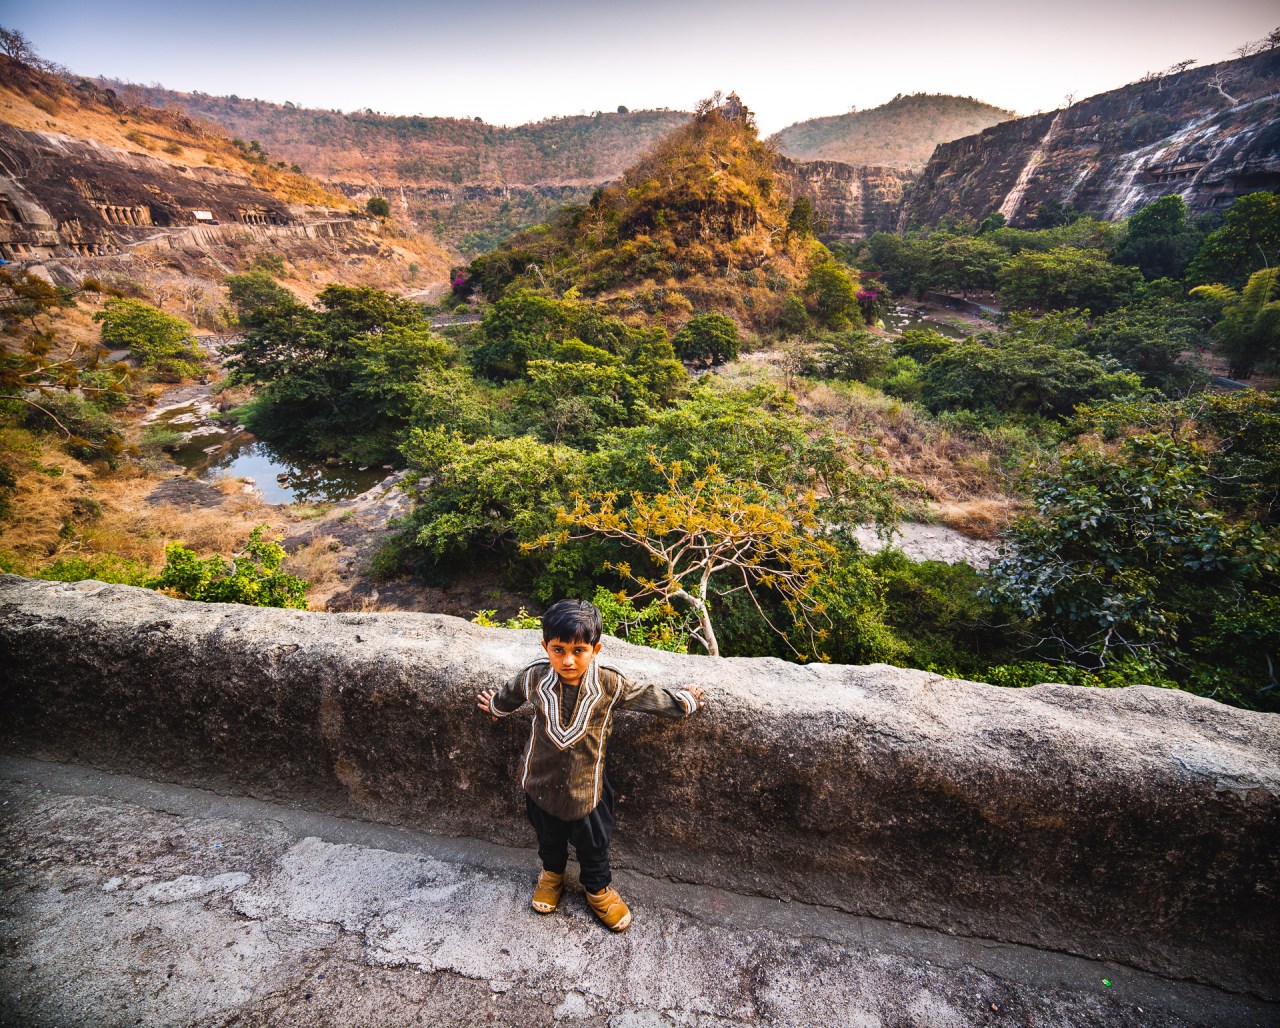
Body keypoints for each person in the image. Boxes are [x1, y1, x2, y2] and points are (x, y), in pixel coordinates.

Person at [476, 598, 705, 932]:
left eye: (579, 650)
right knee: (548, 839)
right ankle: (552, 876)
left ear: (596, 649)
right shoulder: (535, 677)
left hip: (588, 787)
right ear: (545, 646)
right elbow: (511, 694)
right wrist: (495, 706)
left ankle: (597, 891)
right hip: (540, 783)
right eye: (558, 650)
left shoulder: (610, 684)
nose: (568, 660)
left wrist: (685, 701)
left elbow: (649, 697)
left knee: (593, 844)